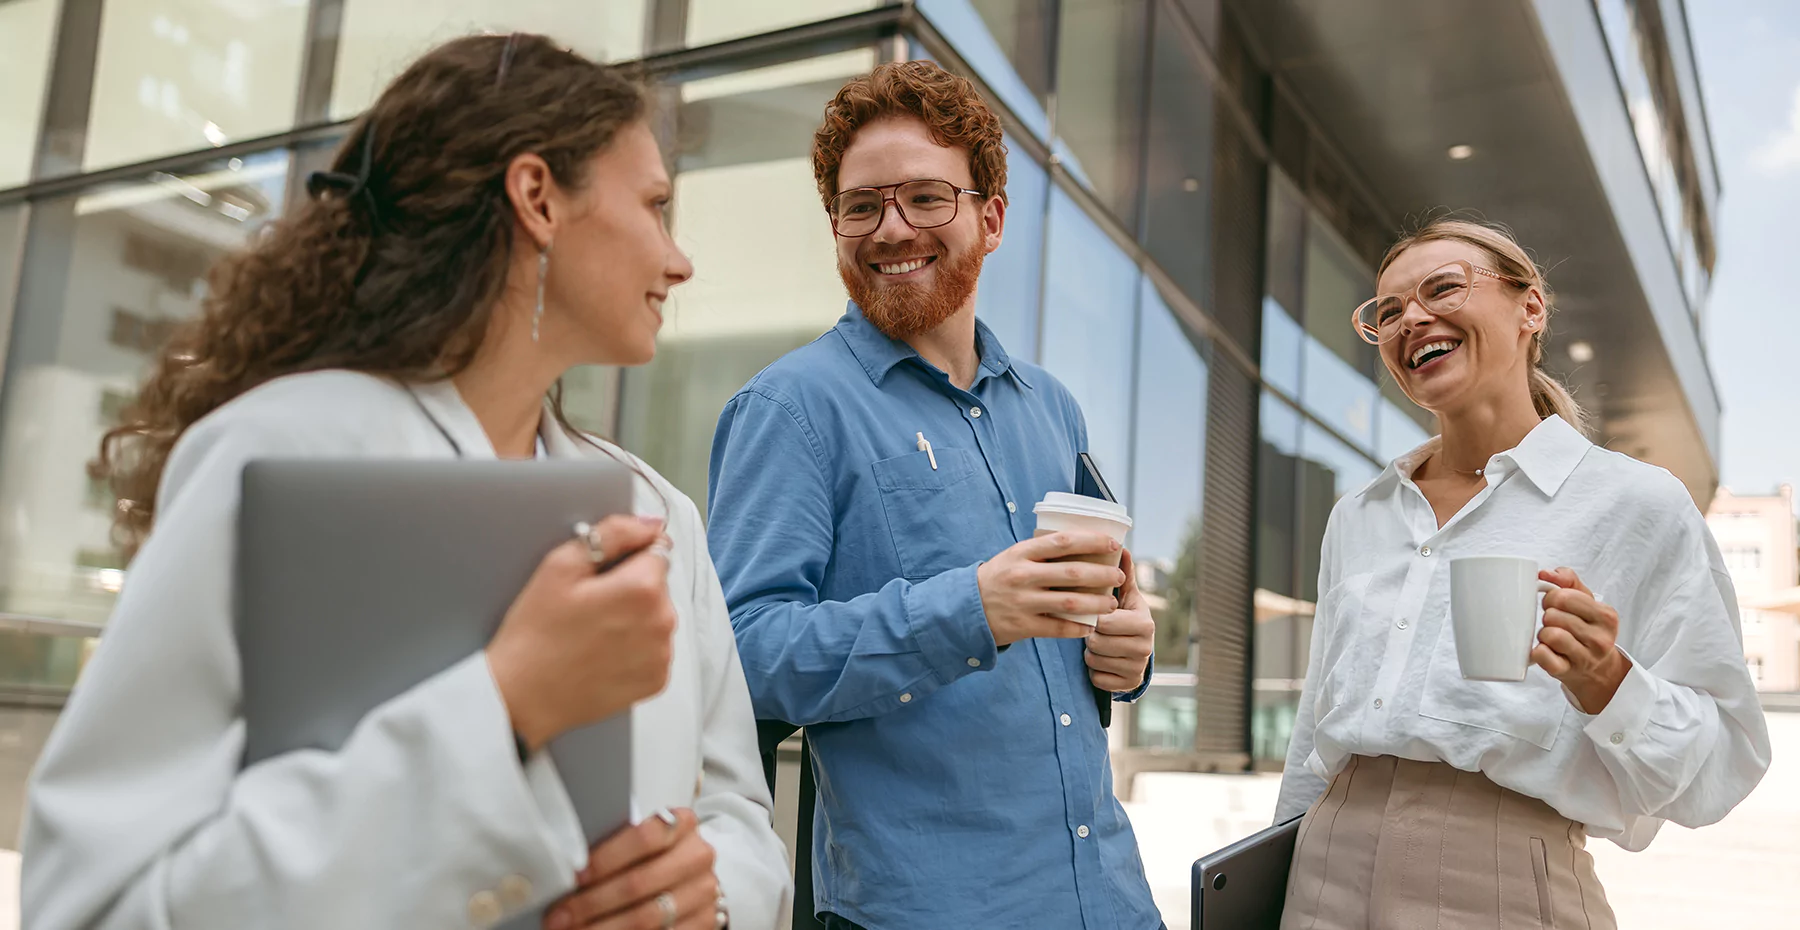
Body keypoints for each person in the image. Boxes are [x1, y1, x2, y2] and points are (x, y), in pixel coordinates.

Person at [22, 34, 790, 930]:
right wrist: (505, 708)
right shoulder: (282, 450)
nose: (680, 259)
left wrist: (711, 890)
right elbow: (93, 903)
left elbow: (739, 815)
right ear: (537, 196)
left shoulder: (658, 513)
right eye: (655, 205)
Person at [705, 61, 1162, 930]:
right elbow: (742, 657)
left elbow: (1085, 624)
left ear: (990, 219)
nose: (891, 228)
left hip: (1108, 897)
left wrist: (1125, 653)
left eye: (925, 198)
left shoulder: (1051, 406)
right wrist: (972, 609)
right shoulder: (790, 408)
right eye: (862, 204)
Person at [1273, 218, 1771, 929]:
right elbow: (1313, 733)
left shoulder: (1635, 503)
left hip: (1503, 883)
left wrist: (1609, 684)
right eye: (1389, 311)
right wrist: (1275, 865)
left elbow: (1730, 753)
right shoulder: (1360, 515)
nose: (1412, 318)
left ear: (1530, 308)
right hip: (1322, 874)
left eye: (1442, 288)